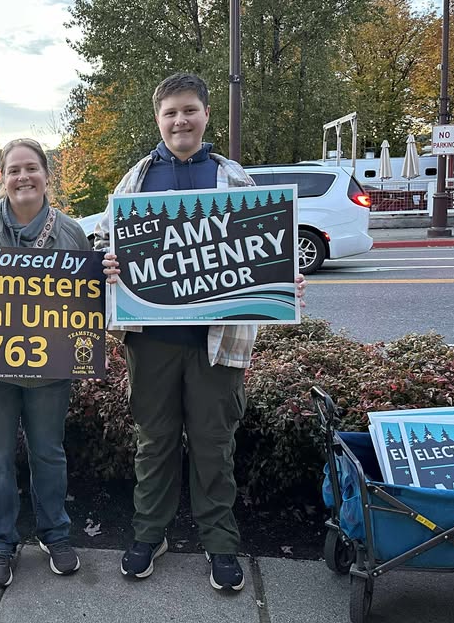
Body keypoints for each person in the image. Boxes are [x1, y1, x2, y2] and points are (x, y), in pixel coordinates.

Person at [95, 73, 305, 593]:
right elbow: (103, 242)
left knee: (214, 446)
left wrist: (285, 278)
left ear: (206, 115)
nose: (180, 121)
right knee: (154, 444)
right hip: (151, 341)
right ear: (158, 119)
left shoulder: (235, 180)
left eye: (189, 110)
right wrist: (108, 264)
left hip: (219, 342)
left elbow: (266, 250)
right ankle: (150, 535)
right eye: (170, 112)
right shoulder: (135, 181)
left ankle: (220, 542)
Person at [0, 137, 90, 587]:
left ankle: (55, 534)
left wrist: (106, 279)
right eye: (14, 170)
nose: (23, 177)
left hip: (50, 371)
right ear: (1, 178)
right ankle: (0, 543)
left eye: (31, 168)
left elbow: (87, 303)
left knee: (49, 454)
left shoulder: (71, 232)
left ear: (47, 175)